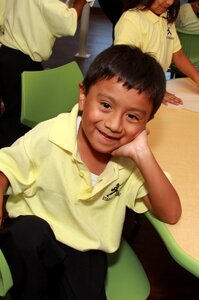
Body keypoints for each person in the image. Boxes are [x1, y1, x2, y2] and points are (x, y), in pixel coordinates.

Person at [0, 45, 181, 300]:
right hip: (38, 238)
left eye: (132, 116)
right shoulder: (50, 135)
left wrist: (143, 154)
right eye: (106, 105)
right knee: (28, 234)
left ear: (146, 122)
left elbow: (170, 213)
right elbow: (4, 165)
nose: (114, 125)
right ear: (83, 97)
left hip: (86, 247)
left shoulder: (129, 163)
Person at [0, 0, 87, 149]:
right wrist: (79, 4)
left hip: (6, 53)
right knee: (18, 120)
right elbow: (67, 23)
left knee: (14, 111)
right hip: (22, 62)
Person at [114, 0, 199, 105]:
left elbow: (178, 54)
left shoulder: (166, 17)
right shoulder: (131, 18)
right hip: (134, 90)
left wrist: (197, 78)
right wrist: (153, 89)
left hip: (155, 86)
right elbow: (125, 64)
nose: (169, 2)